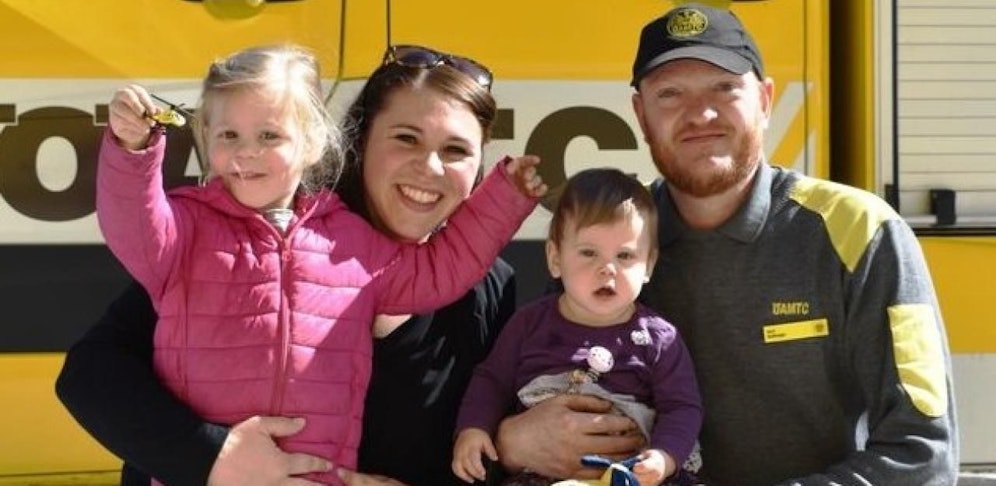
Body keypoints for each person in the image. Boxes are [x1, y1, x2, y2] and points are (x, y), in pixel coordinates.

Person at [493, 3, 959, 486]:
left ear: (765, 99)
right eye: (671, 94)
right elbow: (522, 386)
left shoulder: (860, 231)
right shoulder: (610, 238)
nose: (702, 114)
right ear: (640, 113)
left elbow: (924, 454)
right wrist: (511, 440)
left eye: (725, 88)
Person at [57, 42, 524, 486]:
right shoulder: (227, 239)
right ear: (360, 141)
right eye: (406, 138)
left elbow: (485, 438)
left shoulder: (485, 286)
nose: (431, 167)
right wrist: (213, 458)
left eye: (457, 150)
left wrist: (519, 440)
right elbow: (89, 377)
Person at [450, 168, 702, 486]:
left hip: (631, 475)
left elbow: (682, 407)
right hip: (540, 476)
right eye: (588, 253)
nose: (607, 269)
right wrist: (473, 429)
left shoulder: (659, 337)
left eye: (625, 255)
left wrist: (664, 457)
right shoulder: (530, 324)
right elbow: (491, 381)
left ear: (648, 265)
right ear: (555, 258)